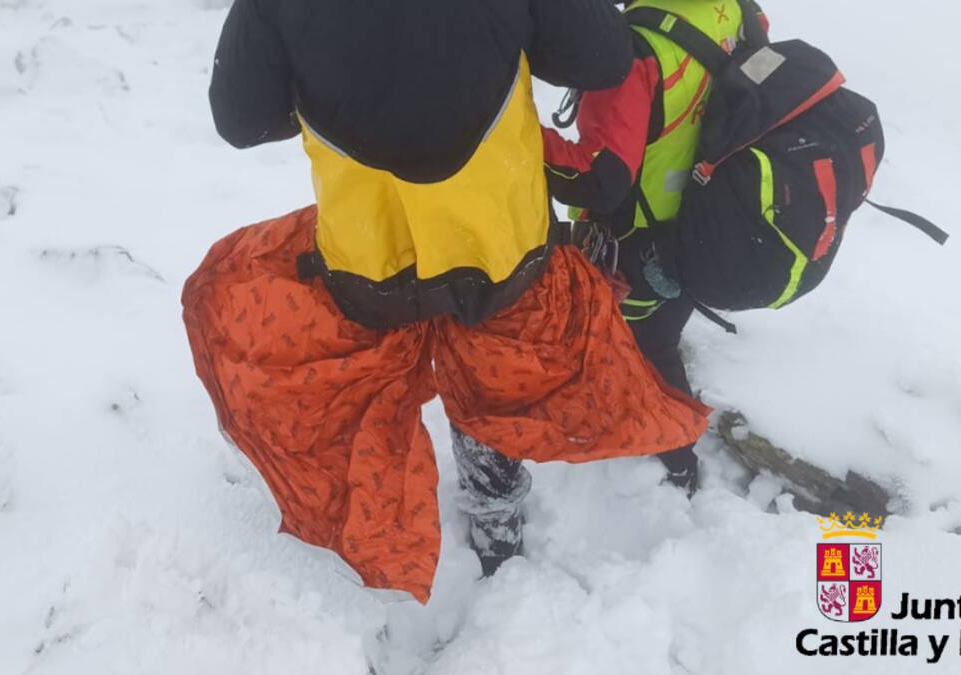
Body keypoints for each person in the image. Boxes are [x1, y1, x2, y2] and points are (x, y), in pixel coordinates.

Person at [182, 0, 711, 602]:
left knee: (369, 393)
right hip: (498, 245)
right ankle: (497, 529)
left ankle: (375, 542)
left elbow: (242, 120)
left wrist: (333, 84)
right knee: (493, 375)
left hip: (371, 257)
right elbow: (605, 57)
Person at [541, 0, 769, 496]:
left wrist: (516, 139)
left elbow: (598, 178)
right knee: (657, 337)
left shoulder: (631, 52)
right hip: (706, 224)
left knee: (649, 346)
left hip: (638, 246)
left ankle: (678, 459)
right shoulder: (735, 9)